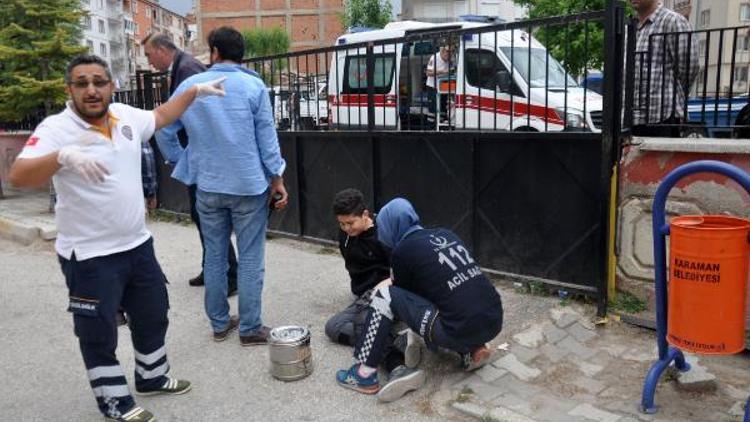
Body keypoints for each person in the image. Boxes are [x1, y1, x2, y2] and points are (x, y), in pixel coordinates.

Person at [8, 54, 226, 422]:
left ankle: (152, 376)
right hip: (89, 256)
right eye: (82, 83)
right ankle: (114, 401)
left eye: (99, 81)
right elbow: (19, 176)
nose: (91, 89)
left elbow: (160, 116)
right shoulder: (56, 129)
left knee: (153, 314)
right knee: (98, 331)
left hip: (138, 245)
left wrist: (193, 92)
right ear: (70, 89)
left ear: (111, 86)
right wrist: (62, 157)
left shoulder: (125, 116)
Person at [155, 26, 288, 346]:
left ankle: (218, 324)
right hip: (248, 186)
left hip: (208, 186)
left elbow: (162, 129)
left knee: (214, 255)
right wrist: (278, 180)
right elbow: (267, 141)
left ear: (214, 52)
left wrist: (183, 161)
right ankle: (250, 327)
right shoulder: (254, 87)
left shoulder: (190, 86)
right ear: (241, 54)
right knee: (251, 256)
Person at [336, 198, 503, 400]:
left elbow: (405, 298)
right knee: (453, 299)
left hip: (457, 328)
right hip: (494, 320)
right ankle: (473, 348)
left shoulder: (402, 251)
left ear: (391, 226)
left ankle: (364, 373)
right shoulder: (445, 234)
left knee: (385, 295)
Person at [143, 32, 239, 295]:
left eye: (149, 55)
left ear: (162, 50)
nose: (149, 62)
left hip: (199, 156)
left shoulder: (187, 69)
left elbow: (187, 115)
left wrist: (178, 158)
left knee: (209, 220)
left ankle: (230, 275)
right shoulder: (184, 67)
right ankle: (213, 270)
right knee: (203, 218)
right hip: (198, 155)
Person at [325, 189, 423, 402]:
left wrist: (389, 283)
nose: (345, 228)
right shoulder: (346, 234)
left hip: (387, 294)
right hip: (362, 295)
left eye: (350, 223)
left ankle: (395, 365)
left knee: (361, 323)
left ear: (366, 214)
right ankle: (399, 341)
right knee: (334, 328)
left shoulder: (384, 232)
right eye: (341, 224)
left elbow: (403, 269)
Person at [631, 0, 698, 137]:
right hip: (633, 118)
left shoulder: (673, 21)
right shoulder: (631, 25)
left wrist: (673, 94)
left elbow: (689, 67)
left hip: (663, 118)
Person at [425, 45, 455, 117]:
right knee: (433, 111)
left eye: (451, 53)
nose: (448, 58)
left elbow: (452, 70)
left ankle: (442, 123)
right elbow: (428, 73)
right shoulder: (434, 58)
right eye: (448, 54)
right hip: (433, 87)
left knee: (443, 110)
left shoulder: (451, 59)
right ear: (443, 51)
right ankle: (431, 126)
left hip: (443, 88)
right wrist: (442, 72)